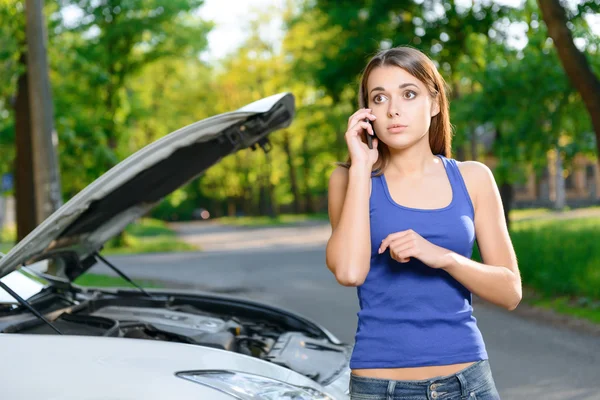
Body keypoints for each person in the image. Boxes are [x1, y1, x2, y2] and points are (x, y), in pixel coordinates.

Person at [325, 46, 521, 400]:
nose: (394, 109)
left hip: (468, 382)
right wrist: (361, 168)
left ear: (434, 104)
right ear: (367, 113)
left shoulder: (473, 177)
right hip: (380, 386)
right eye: (379, 98)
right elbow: (349, 272)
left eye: (409, 94)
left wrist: (442, 256)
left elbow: (509, 292)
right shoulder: (348, 179)